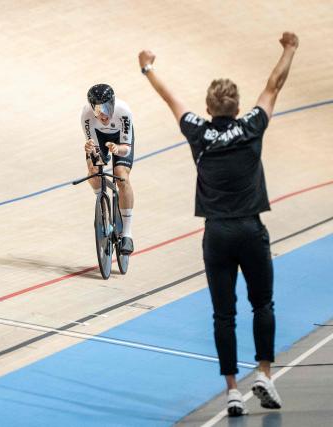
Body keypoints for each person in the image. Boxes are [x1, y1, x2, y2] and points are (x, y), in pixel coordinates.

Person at [138, 32, 299, 416]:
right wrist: (289, 49)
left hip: (217, 234)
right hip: (249, 228)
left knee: (223, 313)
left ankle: (231, 389)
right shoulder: (251, 127)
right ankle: (263, 373)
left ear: (209, 108)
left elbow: (170, 99)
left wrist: (147, 68)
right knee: (262, 303)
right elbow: (274, 85)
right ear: (237, 106)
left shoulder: (198, 131)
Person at [81, 84, 135, 254]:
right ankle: (103, 209)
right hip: (100, 138)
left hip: (121, 141)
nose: (102, 114)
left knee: (122, 176)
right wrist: (91, 150)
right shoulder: (86, 116)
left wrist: (118, 149)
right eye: (97, 110)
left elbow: (127, 148)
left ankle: (127, 233)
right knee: (94, 172)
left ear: (112, 104)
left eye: (105, 108)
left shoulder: (123, 111)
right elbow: (95, 148)